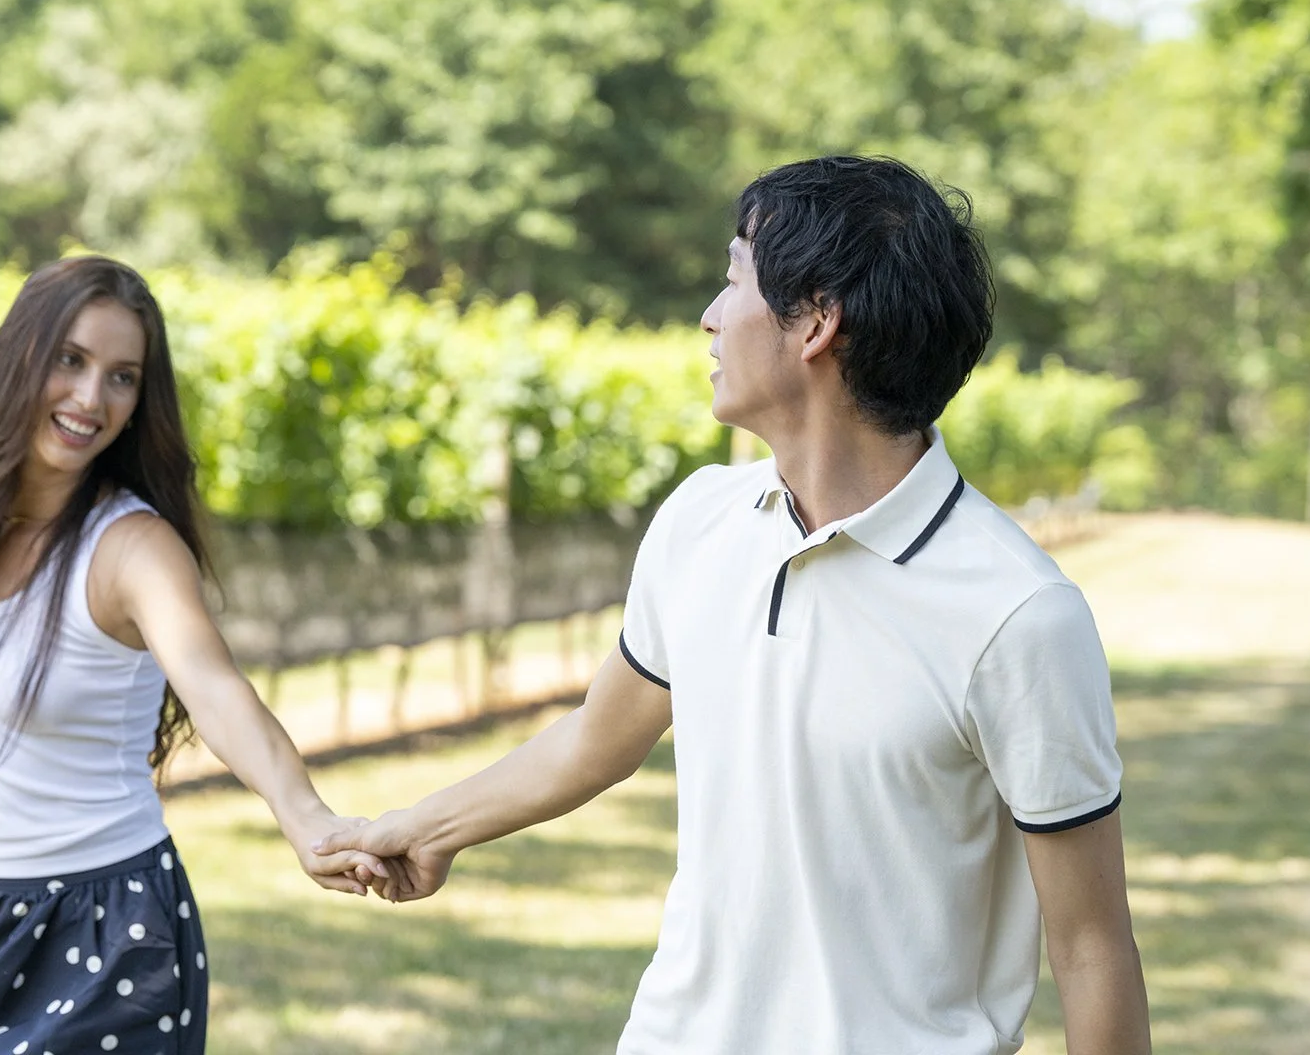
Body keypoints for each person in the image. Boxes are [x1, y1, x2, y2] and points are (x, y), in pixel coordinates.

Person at [316, 157, 1152, 1053]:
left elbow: (1092, 948)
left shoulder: (1019, 616)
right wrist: (427, 829)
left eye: (734, 278)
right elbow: (598, 739)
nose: (710, 316)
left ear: (817, 322)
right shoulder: (701, 522)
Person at [0, 256, 390, 1055]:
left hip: (104, 932)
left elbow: (216, 688)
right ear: (20, 357)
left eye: (122, 377)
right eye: (71, 360)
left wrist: (307, 818)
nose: (92, 398)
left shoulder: (133, 548)